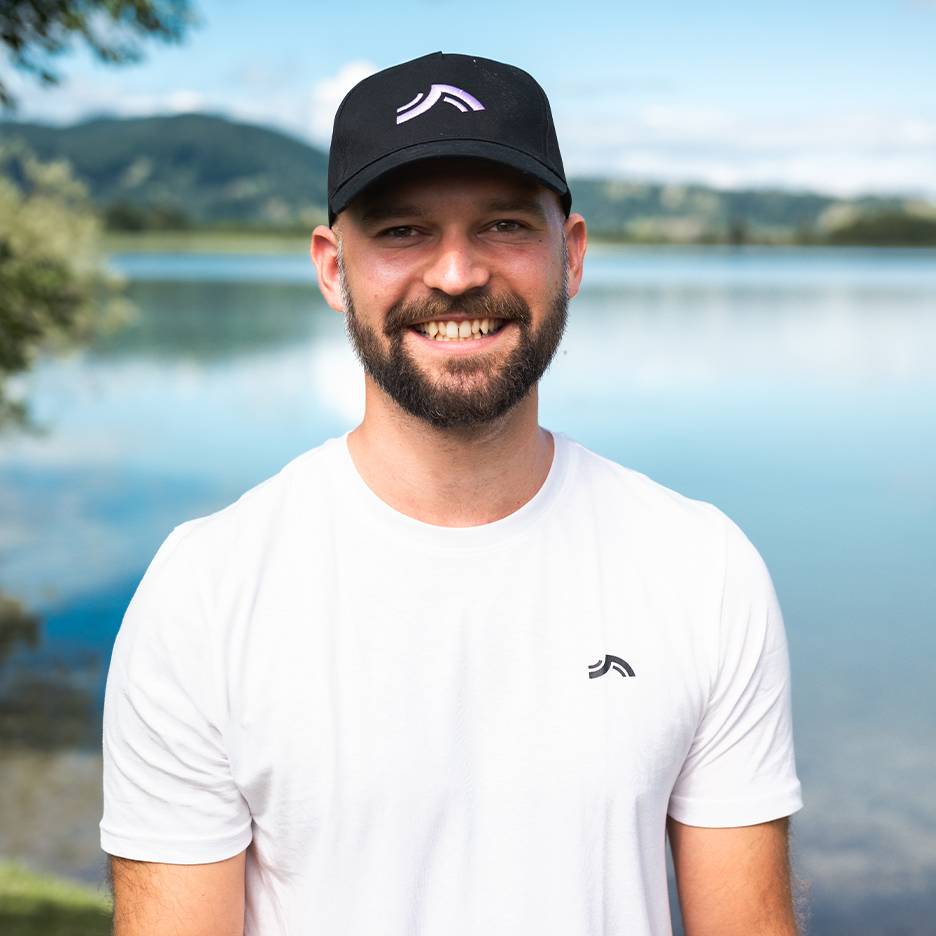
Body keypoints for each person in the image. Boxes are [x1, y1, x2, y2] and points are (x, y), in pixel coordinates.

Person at [101, 51, 805, 935]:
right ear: (331, 268)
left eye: (504, 224)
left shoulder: (701, 570)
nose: (458, 274)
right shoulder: (205, 591)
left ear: (572, 254)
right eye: (401, 231)